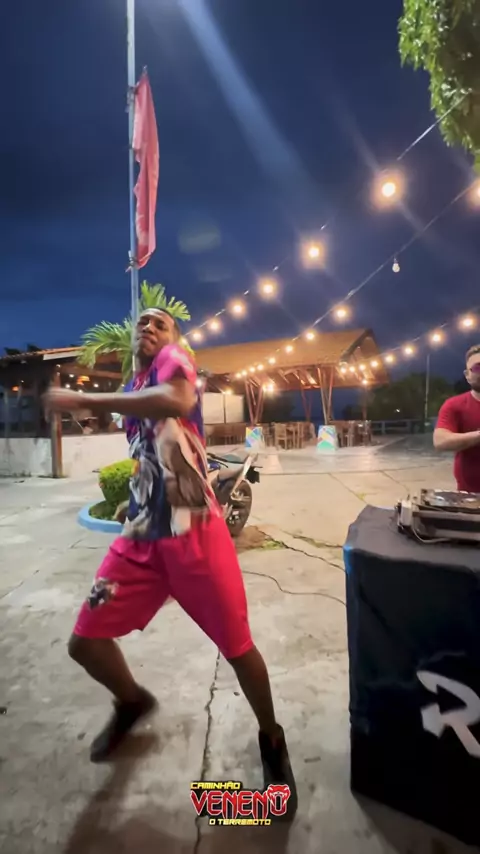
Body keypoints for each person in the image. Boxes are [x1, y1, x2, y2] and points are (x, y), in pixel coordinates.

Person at [43, 308, 297, 814]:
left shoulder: (175, 362)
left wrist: (88, 398)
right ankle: (131, 701)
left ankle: (271, 738)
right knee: (84, 642)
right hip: (140, 539)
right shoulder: (136, 387)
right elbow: (152, 453)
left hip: (195, 534)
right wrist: (136, 496)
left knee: (237, 646)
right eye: (143, 322)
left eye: (161, 323)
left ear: (175, 338)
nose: (149, 328)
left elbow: (177, 401)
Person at [434, 344, 480, 493]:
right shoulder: (454, 405)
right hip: (470, 497)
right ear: (467, 375)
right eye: (477, 368)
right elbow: (440, 441)